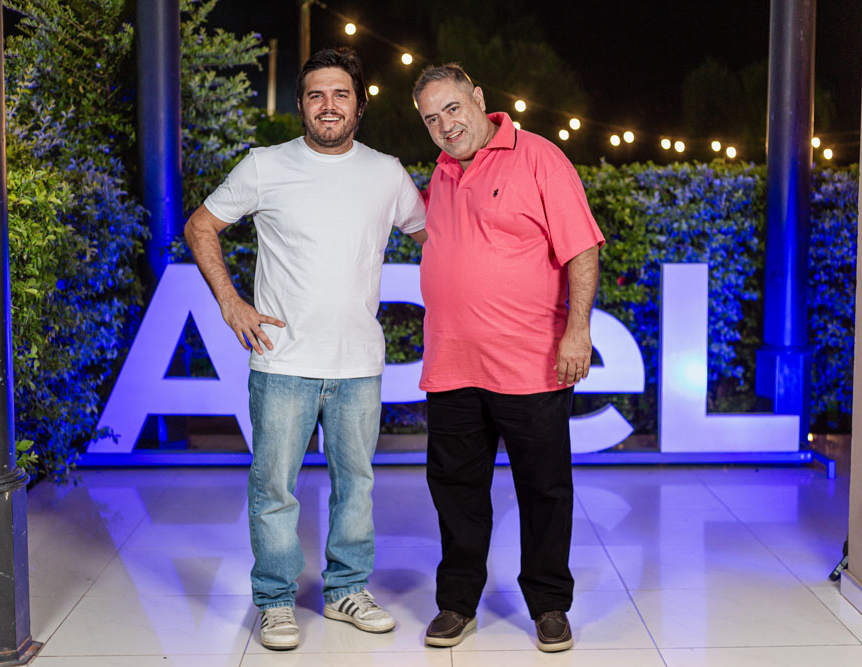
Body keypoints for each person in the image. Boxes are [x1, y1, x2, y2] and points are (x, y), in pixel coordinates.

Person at [184, 48, 427, 651]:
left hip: (358, 363)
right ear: (301, 105)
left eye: (341, 94)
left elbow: (435, 240)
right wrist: (231, 304)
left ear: (360, 105)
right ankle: (274, 601)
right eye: (316, 95)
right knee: (273, 489)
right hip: (282, 362)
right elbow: (200, 225)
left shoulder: (387, 173)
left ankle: (346, 590)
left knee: (356, 487)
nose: (328, 105)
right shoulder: (264, 166)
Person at [412, 64, 604, 653]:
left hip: (532, 365)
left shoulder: (540, 157)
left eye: (452, 108)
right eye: (431, 119)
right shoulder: (440, 174)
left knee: (544, 491)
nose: (445, 125)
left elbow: (582, 248)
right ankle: (456, 603)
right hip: (452, 364)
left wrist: (577, 330)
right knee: (455, 491)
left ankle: (549, 605)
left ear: (478, 98)